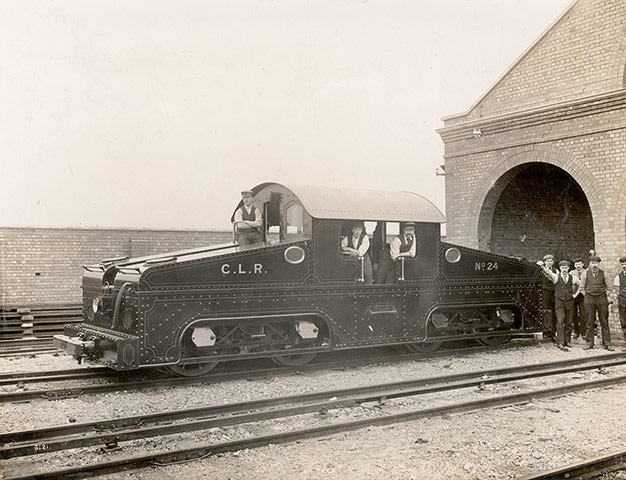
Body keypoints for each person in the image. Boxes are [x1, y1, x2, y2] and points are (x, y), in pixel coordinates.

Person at [537, 259, 579, 351]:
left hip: (569, 302)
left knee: (568, 322)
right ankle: (560, 342)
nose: (564, 269)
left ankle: (567, 341)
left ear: (568, 268)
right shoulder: (556, 277)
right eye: (562, 267)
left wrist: (575, 294)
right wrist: (542, 266)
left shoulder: (572, 278)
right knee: (560, 321)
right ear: (560, 268)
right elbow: (547, 272)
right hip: (559, 302)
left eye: (566, 267)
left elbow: (581, 284)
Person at [579, 255, 614, 351]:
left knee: (604, 321)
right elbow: (581, 288)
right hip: (589, 299)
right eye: (592, 263)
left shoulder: (604, 274)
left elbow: (610, 288)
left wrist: (603, 296)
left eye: (596, 263)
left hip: (601, 299)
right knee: (589, 322)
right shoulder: (585, 274)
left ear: (599, 264)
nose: (594, 265)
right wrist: (588, 295)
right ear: (590, 264)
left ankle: (607, 343)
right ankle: (589, 344)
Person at [540, 254, 558, 342]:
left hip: (554, 292)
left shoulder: (556, 271)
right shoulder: (541, 270)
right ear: (544, 262)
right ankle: (545, 332)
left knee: (554, 312)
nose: (550, 262)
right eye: (548, 261)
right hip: (545, 292)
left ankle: (553, 332)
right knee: (545, 311)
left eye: (551, 261)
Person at [570, 258, 586, 339]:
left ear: (583, 264)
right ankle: (576, 331)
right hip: (573, 296)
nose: (578, 266)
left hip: (583, 295)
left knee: (583, 314)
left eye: (579, 264)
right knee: (573, 314)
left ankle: (583, 332)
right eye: (576, 264)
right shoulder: (571, 273)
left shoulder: (586, 272)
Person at [613, 255, 626, 344]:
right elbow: (617, 291)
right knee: (624, 322)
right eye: (622, 264)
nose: (624, 266)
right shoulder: (618, 277)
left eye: (625, 263)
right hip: (623, 302)